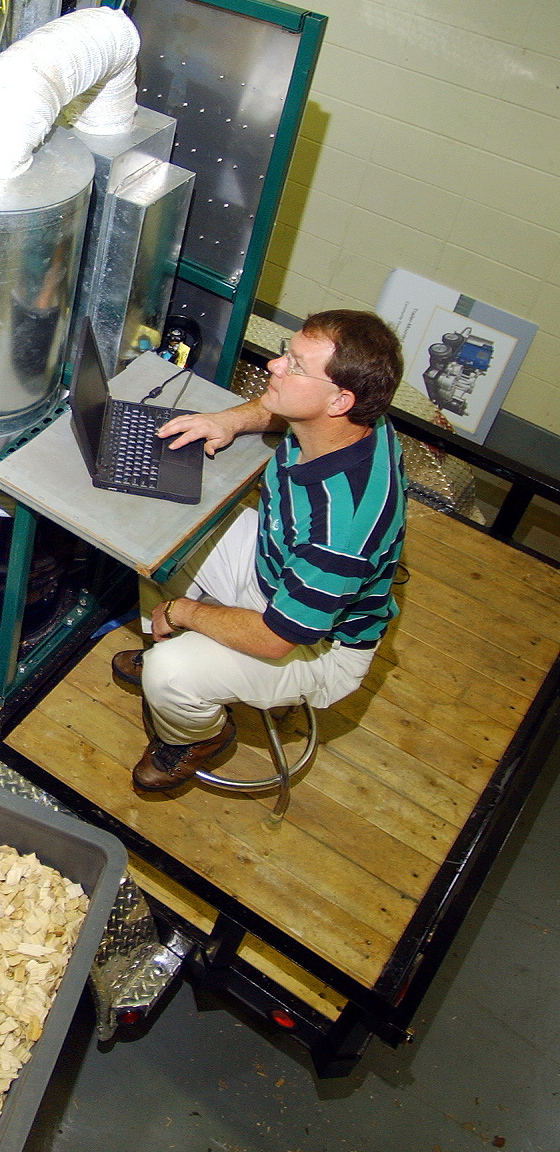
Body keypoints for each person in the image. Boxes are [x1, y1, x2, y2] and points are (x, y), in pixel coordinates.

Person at [112, 310, 406, 794]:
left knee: (170, 673)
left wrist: (181, 611)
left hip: (317, 645)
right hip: (277, 565)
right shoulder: (351, 423)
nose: (274, 366)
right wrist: (226, 421)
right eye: (285, 354)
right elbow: (286, 407)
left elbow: (277, 639)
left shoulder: (344, 529)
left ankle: (196, 734)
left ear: (340, 400)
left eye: (295, 365)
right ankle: (178, 655)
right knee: (161, 533)